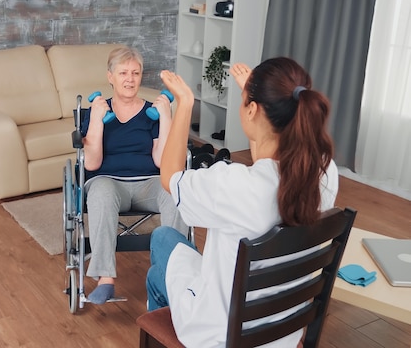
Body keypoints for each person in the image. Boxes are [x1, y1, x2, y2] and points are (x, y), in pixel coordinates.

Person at [145, 57, 339, 347]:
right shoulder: (325, 170)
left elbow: (170, 178)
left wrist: (184, 104)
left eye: (245, 102)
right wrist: (256, 101)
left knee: (162, 241)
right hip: (284, 333)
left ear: (252, 110)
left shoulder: (234, 185)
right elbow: (267, 160)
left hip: (222, 334)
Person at [80, 46, 189, 305]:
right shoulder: (96, 111)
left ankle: (176, 275)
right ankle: (105, 280)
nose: (130, 79)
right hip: (108, 182)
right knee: (102, 192)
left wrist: (165, 119)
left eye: (135, 73)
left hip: (148, 183)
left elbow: (162, 163)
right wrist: (96, 119)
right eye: (123, 73)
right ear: (110, 77)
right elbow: (92, 164)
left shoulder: (153, 112)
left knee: (175, 189)